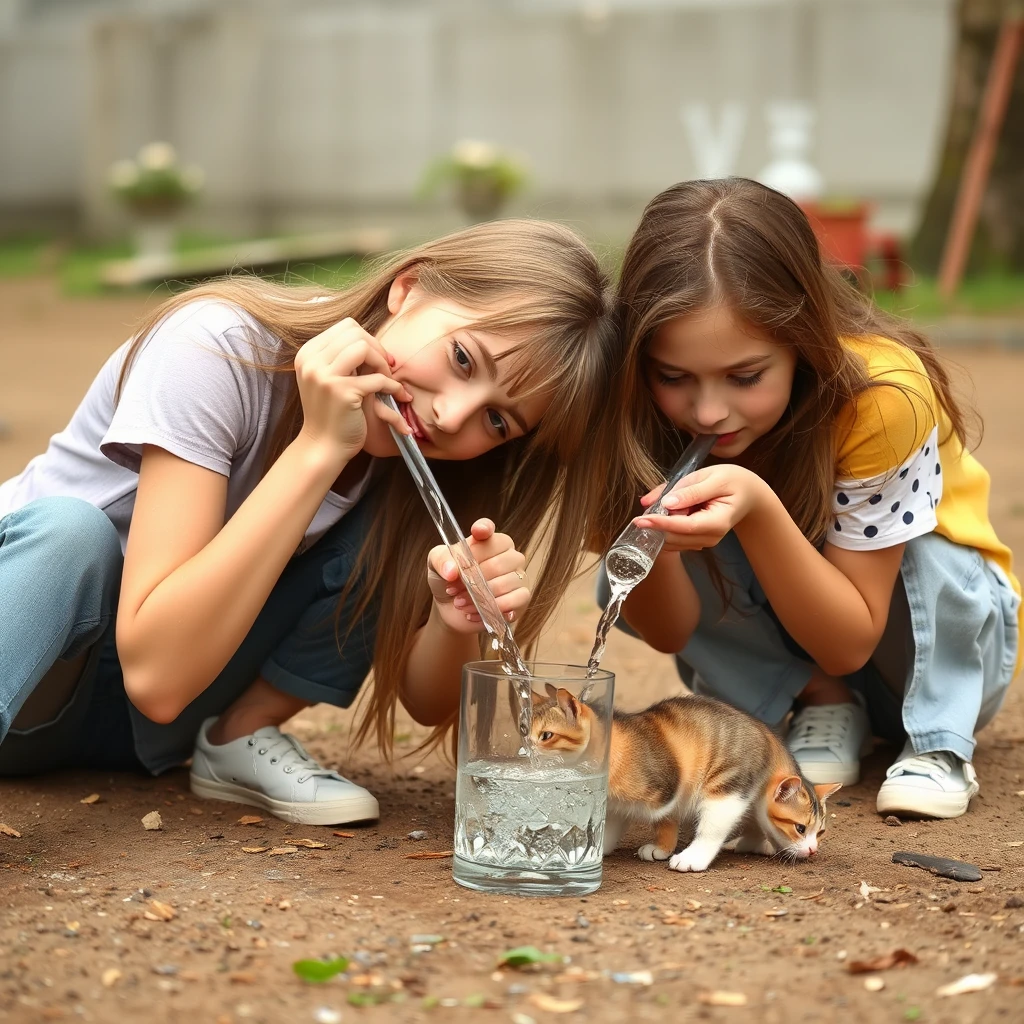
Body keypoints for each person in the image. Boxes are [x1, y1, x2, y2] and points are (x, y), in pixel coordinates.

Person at [0, 219, 617, 825]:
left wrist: (452, 620)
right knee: (69, 535)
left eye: (499, 422)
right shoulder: (217, 346)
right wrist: (317, 449)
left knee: (386, 537)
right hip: (33, 662)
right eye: (462, 358)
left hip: (140, 735)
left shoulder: (414, 466)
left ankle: (240, 733)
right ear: (409, 288)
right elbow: (156, 675)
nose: (454, 416)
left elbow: (426, 704)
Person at [600, 178, 1020, 819]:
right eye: (674, 377)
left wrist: (760, 507)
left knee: (920, 542)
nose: (709, 411)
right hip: (805, 665)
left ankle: (939, 745)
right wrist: (655, 542)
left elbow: (852, 641)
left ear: (802, 341)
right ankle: (824, 705)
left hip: (930, 658)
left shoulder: (881, 397)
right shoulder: (628, 412)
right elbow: (671, 629)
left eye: (746, 376)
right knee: (620, 571)